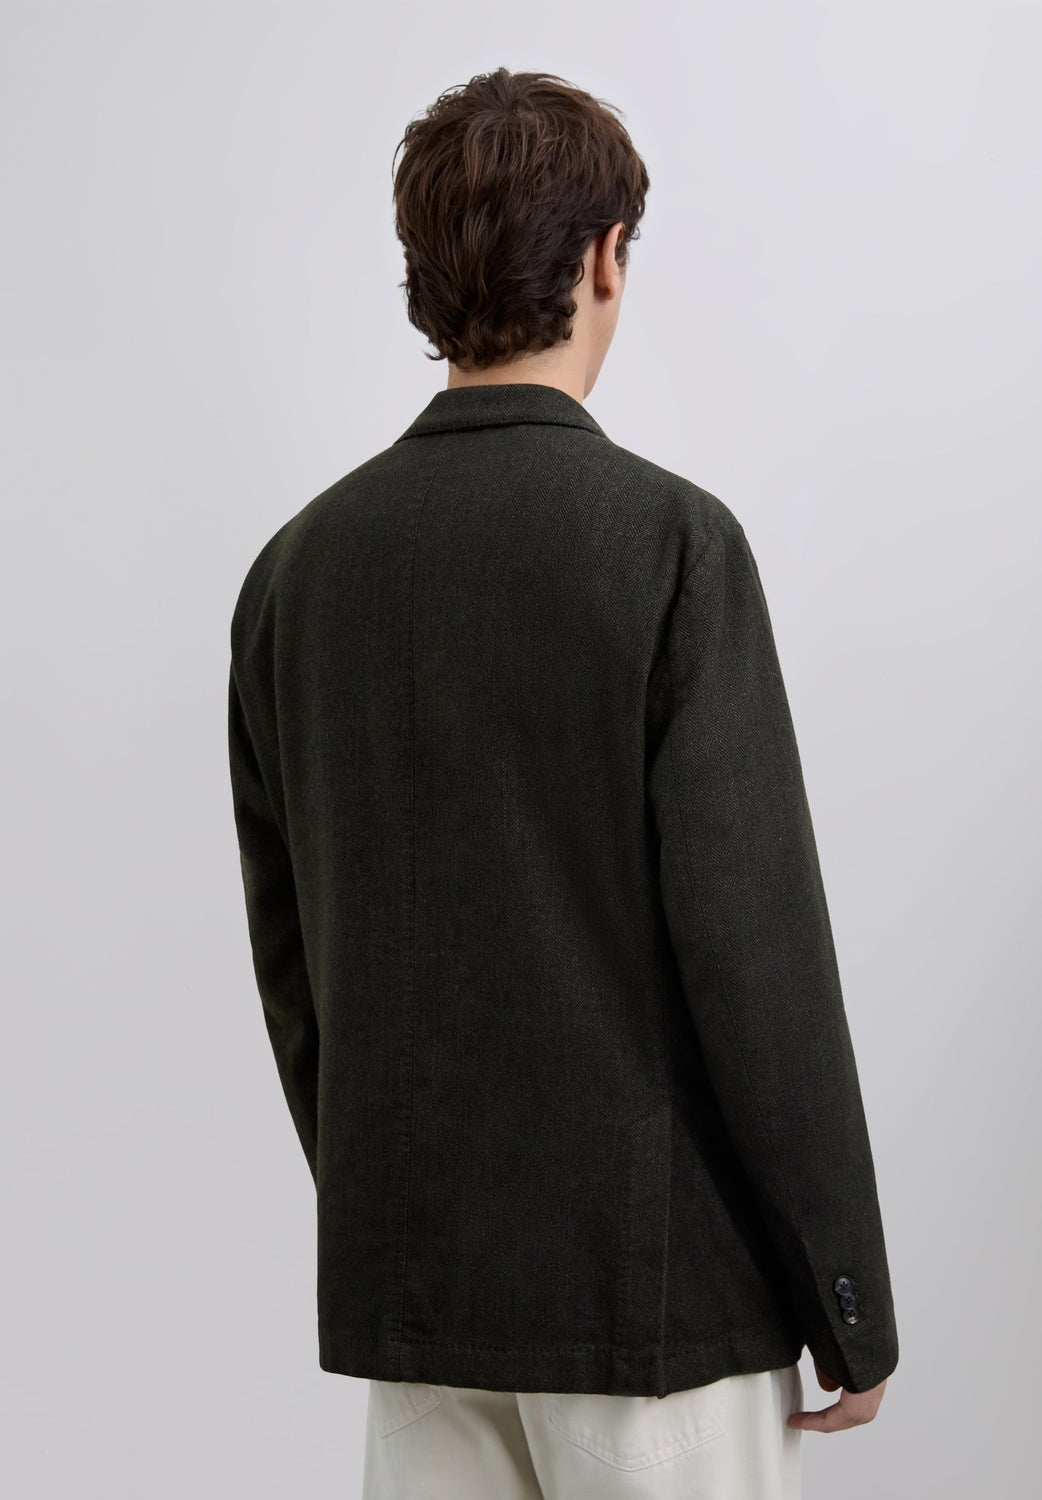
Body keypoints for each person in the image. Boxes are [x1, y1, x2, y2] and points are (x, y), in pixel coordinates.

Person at [227, 66, 898, 1499]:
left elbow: (296, 972)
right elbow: (758, 959)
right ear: (602, 256)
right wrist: (846, 1297)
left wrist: (400, 1213)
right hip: (655, 1313)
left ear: (424, 272)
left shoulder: (295, 574)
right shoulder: (670, 547)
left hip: (421, 1303)